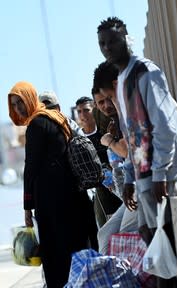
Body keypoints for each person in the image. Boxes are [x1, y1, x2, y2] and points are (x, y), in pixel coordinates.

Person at [97, 17, 177, 287]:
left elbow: (166, 127)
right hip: (144, 179)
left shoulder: (146, 73)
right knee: (152, 242)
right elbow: (133, 135)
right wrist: (128, 178)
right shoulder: (123, 79)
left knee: (166, 246)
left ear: (126, 38)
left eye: (112, 41)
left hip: (164, 176)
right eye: (102, 43)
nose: (107, 48)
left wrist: (160, 173)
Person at [8, 81, 93, 287]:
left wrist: (27, 207)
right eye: (14, 104)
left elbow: (31, 168)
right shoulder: (57, 117)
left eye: (21, 101)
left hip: (53, 202)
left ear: (31, 97)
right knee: (76, 253)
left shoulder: (37, 124)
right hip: (73, 196)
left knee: (56, 259)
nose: (19, 108)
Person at [39, 91, 99, 251]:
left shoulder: (68, 125)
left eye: (50, 108)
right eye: (43, 109)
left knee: (94, 238)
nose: (47, 113)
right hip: (65, 198)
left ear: (58, 108)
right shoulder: (42, 131)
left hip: (85, 193)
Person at [91, 63, 139, 254]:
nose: (107, 105)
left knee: (125, 235)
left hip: (146, 184)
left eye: (108, 98)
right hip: (130, 187)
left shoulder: (130, 108)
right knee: (104, 234)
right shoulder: (114, 120)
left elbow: (129, 152)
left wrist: (109, 141)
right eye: (101, 102)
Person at [75, 96, 122, 228]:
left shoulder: (105, 132)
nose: (83, 115)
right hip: (99, 191)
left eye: (86, 110)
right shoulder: (78, 139)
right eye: (79, 111)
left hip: (118, 184)